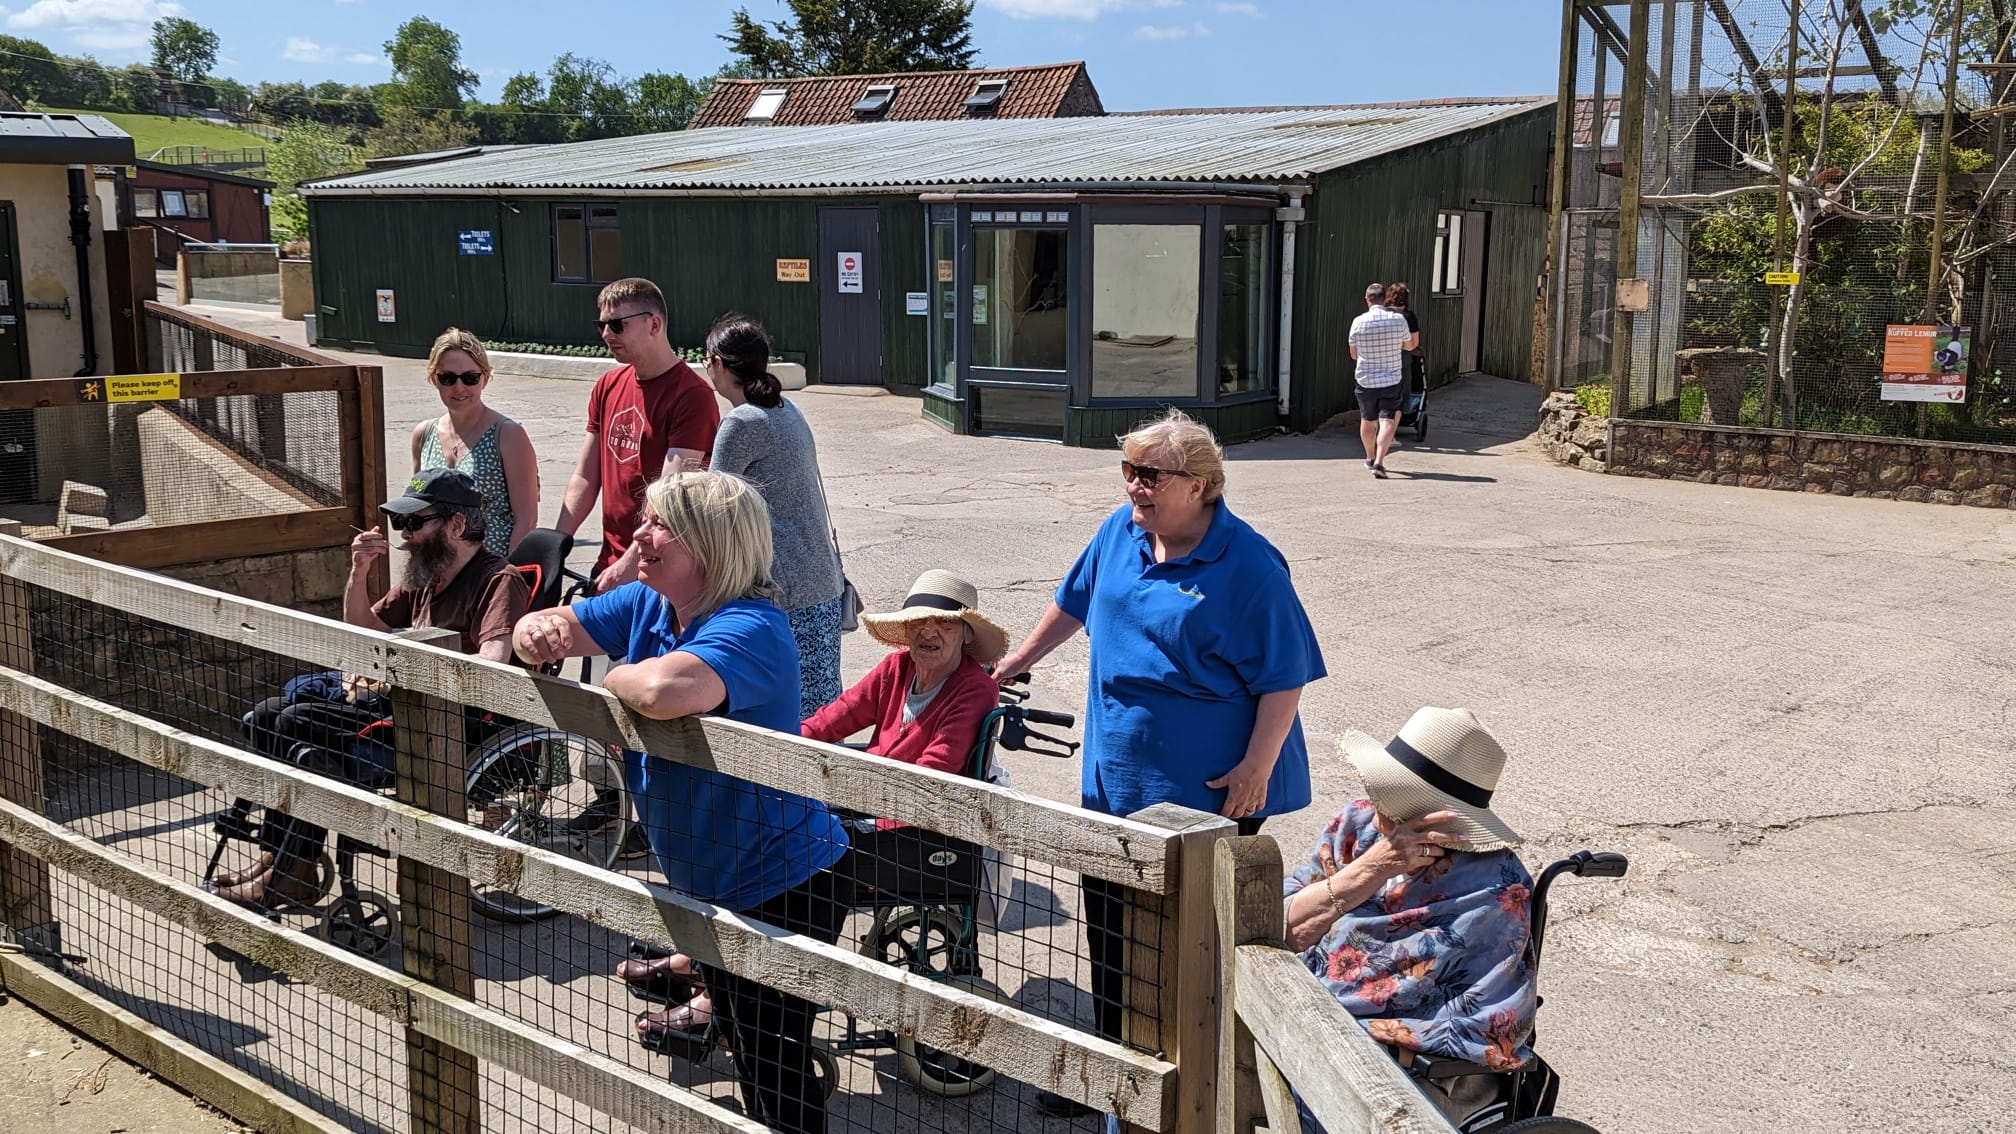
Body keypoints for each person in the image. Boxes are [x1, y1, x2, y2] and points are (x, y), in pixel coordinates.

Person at [990, 408, 1326, 1118]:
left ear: (1200, 485)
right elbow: (1074, 602)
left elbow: (1285, 676)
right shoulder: (1121, 532)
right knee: (1110, 926)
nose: (1133, 487)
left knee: (1184, 947)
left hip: (1206, 793)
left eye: (1150, 474)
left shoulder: (1249, 565)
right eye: (1128, 471)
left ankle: (1188, 1089)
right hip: (1115, 777)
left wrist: (1257, 769)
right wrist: (1016, 660)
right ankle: (1116, 1075)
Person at [513, 469, 850, 1134]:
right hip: (713, 882)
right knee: (754, 1049)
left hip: (783, 883)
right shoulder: (649, 601)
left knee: (772, 1070)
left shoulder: (753, 628)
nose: (639, 535)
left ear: (711, 545)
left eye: (660, 524)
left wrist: (616, 673)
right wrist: (535, 635)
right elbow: (552, 624)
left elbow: (662, 693)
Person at [623, 568, 1007, 1051]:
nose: (928, 632)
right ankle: (702, 964)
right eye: (917, 622)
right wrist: (769, 755)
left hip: (913, 824)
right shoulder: (897, 668)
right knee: (755, 830)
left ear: (966, 634)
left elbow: (932, 775)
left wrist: (846, 800)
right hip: (863, 806)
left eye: (944, 623)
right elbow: (831, 720)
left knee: (780, 858)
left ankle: (714, 999)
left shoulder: (974, 689)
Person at [213, 469, 531, 909]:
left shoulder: (498, 579)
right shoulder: (427, 575)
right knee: (268, 714)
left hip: (450, 724)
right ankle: (283, 858)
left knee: (298, 724)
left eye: (414, 523)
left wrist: (408, 669)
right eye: (400, 523)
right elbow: (365, 627)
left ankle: (293, 868)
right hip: (402, 704)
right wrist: (359, 571)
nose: (404, 534)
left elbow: (493, 663)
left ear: (457, 525)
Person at [1282, 706, 1536, 1132]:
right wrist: (1369, 870)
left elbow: (1463, 1016)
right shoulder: (1357, 824)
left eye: (1398, 798)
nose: (1377, 803)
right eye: (1381, 787)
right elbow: (1275, 923)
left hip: (1411, 1068)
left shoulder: (1492, 886)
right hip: (1304, 1019)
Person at [700, 313, 846, 717]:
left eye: (706, 359)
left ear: (718, 363)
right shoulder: (786, 408)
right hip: (820, 582)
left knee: (788, 717)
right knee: (821, 713)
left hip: (782, 591)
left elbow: (713, 510)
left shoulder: (741, 422)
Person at [554, 278, 721, 594]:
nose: (607, 335)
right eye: (602, 325)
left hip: (660, 571)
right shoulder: (608, 385)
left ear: (654, 324)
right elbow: (586, 476)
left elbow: (670, 499)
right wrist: (556, 541)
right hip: (612, 564)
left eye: (617, 325)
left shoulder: (692, 396)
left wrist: (628, 566)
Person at [411, 328, 539, 558]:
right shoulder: (424, 434)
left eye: (470, 378)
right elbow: (418, 505)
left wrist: (507, 573)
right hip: (438, 567)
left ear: (485, 378)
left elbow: (526, 520)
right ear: (434, 379)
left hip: (490, 567)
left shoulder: (508, 435)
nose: (459, 388)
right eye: (448, 378)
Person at [1348, 282, 1418, 478]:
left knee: (1367, 419)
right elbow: (1409, 346)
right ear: (1384, 299)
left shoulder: (1358, 322)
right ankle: (1379, 461)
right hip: (1391, 379)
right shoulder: (1398, 320)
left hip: (1366, 380)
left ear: (1367, 300)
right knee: (1387, 420)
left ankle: (1369, 457)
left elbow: (1353, 354)